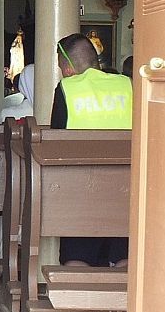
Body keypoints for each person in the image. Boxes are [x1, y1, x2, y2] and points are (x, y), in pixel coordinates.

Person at [50, 33, 132, 268]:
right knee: (124, 251)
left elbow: (57, 139)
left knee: (77, 254)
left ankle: (79, 299)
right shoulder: (127, 84)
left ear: (66, 66)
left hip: (81, 189)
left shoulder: (67, 88)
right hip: (125, 190)